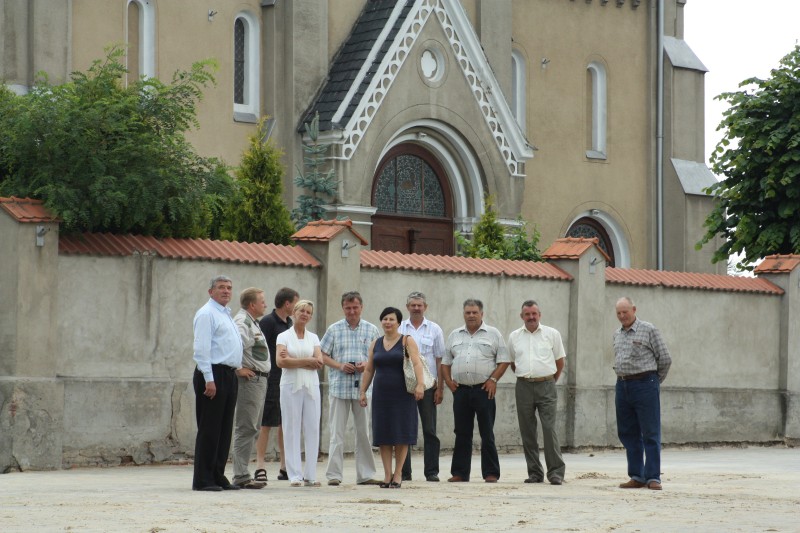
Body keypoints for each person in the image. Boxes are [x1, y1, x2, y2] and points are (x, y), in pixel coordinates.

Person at [442, 299, 510, 483]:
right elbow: (445, 362)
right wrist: (448, 381)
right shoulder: (454, 335)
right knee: (462, 433)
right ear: (463, 314)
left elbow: (504, 360)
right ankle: (460, 473)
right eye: (467, 312)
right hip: (461, 391)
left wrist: (493, 379)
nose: (471, 315)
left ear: (482, 314)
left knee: (487, 432)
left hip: (484, 390)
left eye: (474, 312)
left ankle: (491, 473)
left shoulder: (493, 334)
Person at [359, 307, 425, 488]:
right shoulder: (376, 343)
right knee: (384, 435)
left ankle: (398, 475)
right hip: (381, 395)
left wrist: (420, 384)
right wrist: (363, 391)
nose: (387, 322)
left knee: (401, 435)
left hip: (403, 394)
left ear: (398, 323)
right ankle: (387, 475)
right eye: (385, 319)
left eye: (391, 319)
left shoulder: (406, 341)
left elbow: (417, 363)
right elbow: (369, 369)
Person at [320, 291, 381, 486]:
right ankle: (334, 475)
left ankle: (365, 475)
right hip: (339, 387)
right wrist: (339, 365)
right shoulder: (334, 329)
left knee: (363, 433)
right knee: (336, 433)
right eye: (348, 308)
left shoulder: (372, 330)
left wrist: (366, 365)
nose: (352, 311)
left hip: (363, 389)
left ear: (361, 307)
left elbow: (377, 357)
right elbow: (322, 355)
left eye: (355, 307)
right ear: (343, 308)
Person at [613, 296, 672, 491]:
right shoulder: (617, 334)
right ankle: (637, 475)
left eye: (625, 312)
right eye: (619, 313)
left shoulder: (649, 329)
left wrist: (654, 382)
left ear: (634, 309)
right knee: (628, 433)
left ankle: (653, 477)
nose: (622, 316)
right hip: (622, 385)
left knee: (650, 432)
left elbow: (665, 359)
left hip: (645, 384)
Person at [191, 275, 243, 491]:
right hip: (213, 374)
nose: (226, 291)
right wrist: (209, 379)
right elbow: (201, 350)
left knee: (224, 429)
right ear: (211, 291)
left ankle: (217, 474)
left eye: (229, 288)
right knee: (210, 428)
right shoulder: (207, 314)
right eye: (221, 287)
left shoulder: (226, 314)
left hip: (229, 375)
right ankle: (203, 479)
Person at [508, 300, 566, 485]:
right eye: (527, 314)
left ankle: (555, 472)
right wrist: (527, 377)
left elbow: (559, 362)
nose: (531, 317)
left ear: (539, 315)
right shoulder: (514, 337)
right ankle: (534, 473)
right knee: (527, 431)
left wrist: (549, 380)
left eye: (534, 314)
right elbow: (513, 362)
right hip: (523, 386)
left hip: (546, 385)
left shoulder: (552, 334)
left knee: (549, 429)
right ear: (522, 316)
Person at [276, 300, 324, 487]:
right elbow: (281, 363)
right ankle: (294, 474)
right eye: (302, 310)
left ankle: (310, 474)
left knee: (312, 427)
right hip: (290, 385)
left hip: (311, 386)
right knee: (291, 427)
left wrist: (296, 360)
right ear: (294, 312)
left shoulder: (314, 337)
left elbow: (319, 361)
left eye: (308, 312)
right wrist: (307, 361)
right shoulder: (283, 336)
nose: (305, 314)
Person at [398, 291, 446, 482]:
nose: (416, 308)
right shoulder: (399, 328)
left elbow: (440, 360)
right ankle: (404, 472)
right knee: (404, 430)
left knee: (430, 430)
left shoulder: (435, 329)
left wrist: (440, 388)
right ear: (407, 307)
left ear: (425, 307)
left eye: (420, 305)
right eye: (413, 305)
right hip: (404, 386)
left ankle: (431, 472)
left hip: (428, 386)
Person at [256, 287, 299, 482]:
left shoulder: (290, 323)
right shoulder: (267, 322)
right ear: (287, 304)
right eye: (295, 303)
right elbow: (261, 349)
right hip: (271, 378)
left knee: (285, 423)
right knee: (266, 423)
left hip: (287, 378)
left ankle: (284, 466)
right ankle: (260, 465)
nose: (297, 308)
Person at [231, 287, 270, 489]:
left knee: (251, 428)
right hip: (251, 381)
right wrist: (238, 368)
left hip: (258, 380)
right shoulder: (242, 321)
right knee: (246, 427)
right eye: (262, 301)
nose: (265, 304)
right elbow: (232, 344)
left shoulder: (251, 321)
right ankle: (241, 475)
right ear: (252, 304)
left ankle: (242, 473)